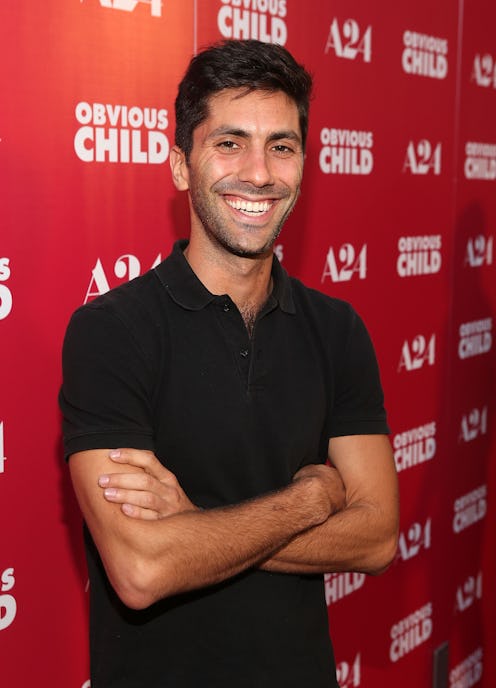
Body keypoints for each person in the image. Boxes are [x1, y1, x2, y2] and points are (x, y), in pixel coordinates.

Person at [60, 39, 399, 688]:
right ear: (180, 165)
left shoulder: (338, 330)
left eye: (282, 146)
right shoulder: (111, 332)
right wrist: (311, 500)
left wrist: (193, 527)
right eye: (229, 143)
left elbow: (377, 536)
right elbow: (142, 569)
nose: (260, 174)